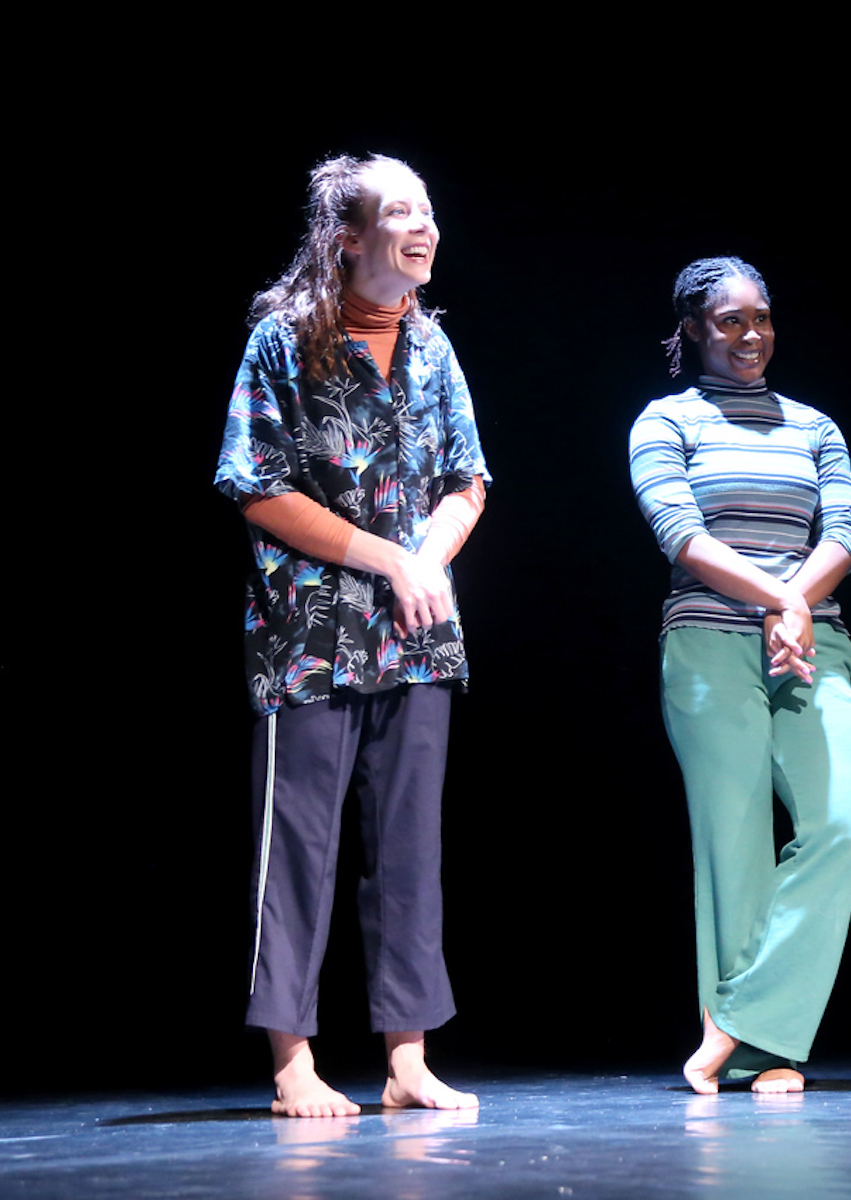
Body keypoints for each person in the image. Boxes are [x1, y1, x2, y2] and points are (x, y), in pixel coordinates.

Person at [214, 154, 488, 1117]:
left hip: (418, 633)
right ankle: (293, 1062)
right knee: (298, 846)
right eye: (403, 211)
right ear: (349, 238)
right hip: (312, 637)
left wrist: (427, 560)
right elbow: (257, 486)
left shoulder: (432, 348)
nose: (426, 227)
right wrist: (388, 557)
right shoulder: (284, 343)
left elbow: (468, 481)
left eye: (430, 211)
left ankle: (407, 1059)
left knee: (409, 847)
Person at [629, 257, 851, 1094]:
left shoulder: (814, 426)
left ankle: (740, 1020)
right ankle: (765, 1052)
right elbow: (679, 532)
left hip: (811, 644)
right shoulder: (665, 422)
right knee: (733, 843)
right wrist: (780, 598)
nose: (751, 334)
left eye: (762, 318)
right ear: (694, 328)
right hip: (708, 642)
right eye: (730, 321)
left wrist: (795, 607)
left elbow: (845, 530)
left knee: (839, 818)